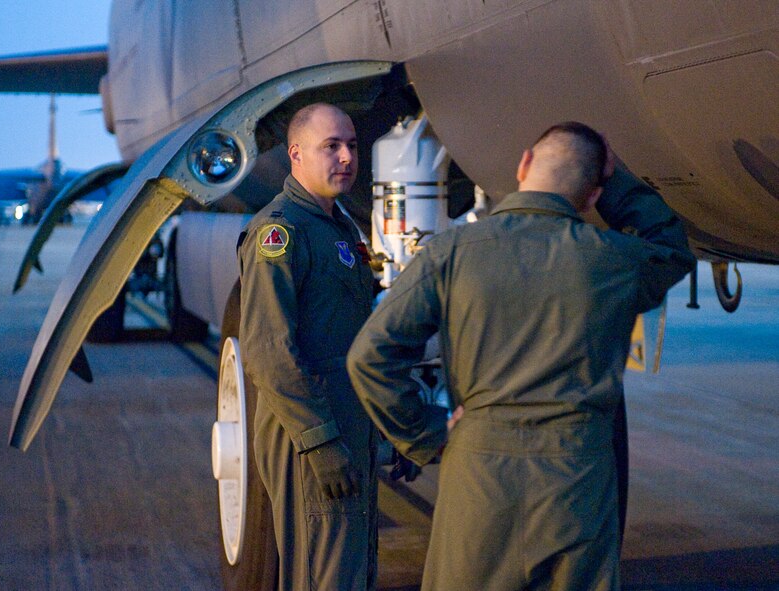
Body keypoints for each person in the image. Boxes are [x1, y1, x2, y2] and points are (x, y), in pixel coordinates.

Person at [346, 122, 696, 590]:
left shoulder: (452, 251)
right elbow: (672, 250)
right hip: (577, 475)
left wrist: (426, 433)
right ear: (593, 196)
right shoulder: (613, 259)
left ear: (525, 163)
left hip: (480, 470)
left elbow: (370, 357)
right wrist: (618, 183)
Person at [238, 103, 378, 590]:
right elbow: (268, 352)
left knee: (350, 569)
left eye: (352, 146)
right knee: (324, 576)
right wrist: (320, 441)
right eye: (331, 146)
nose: (346, 158)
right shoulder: (280, 231)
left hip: (343, 428)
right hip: (309, 436)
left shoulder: (336, 227)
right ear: (296, 154)